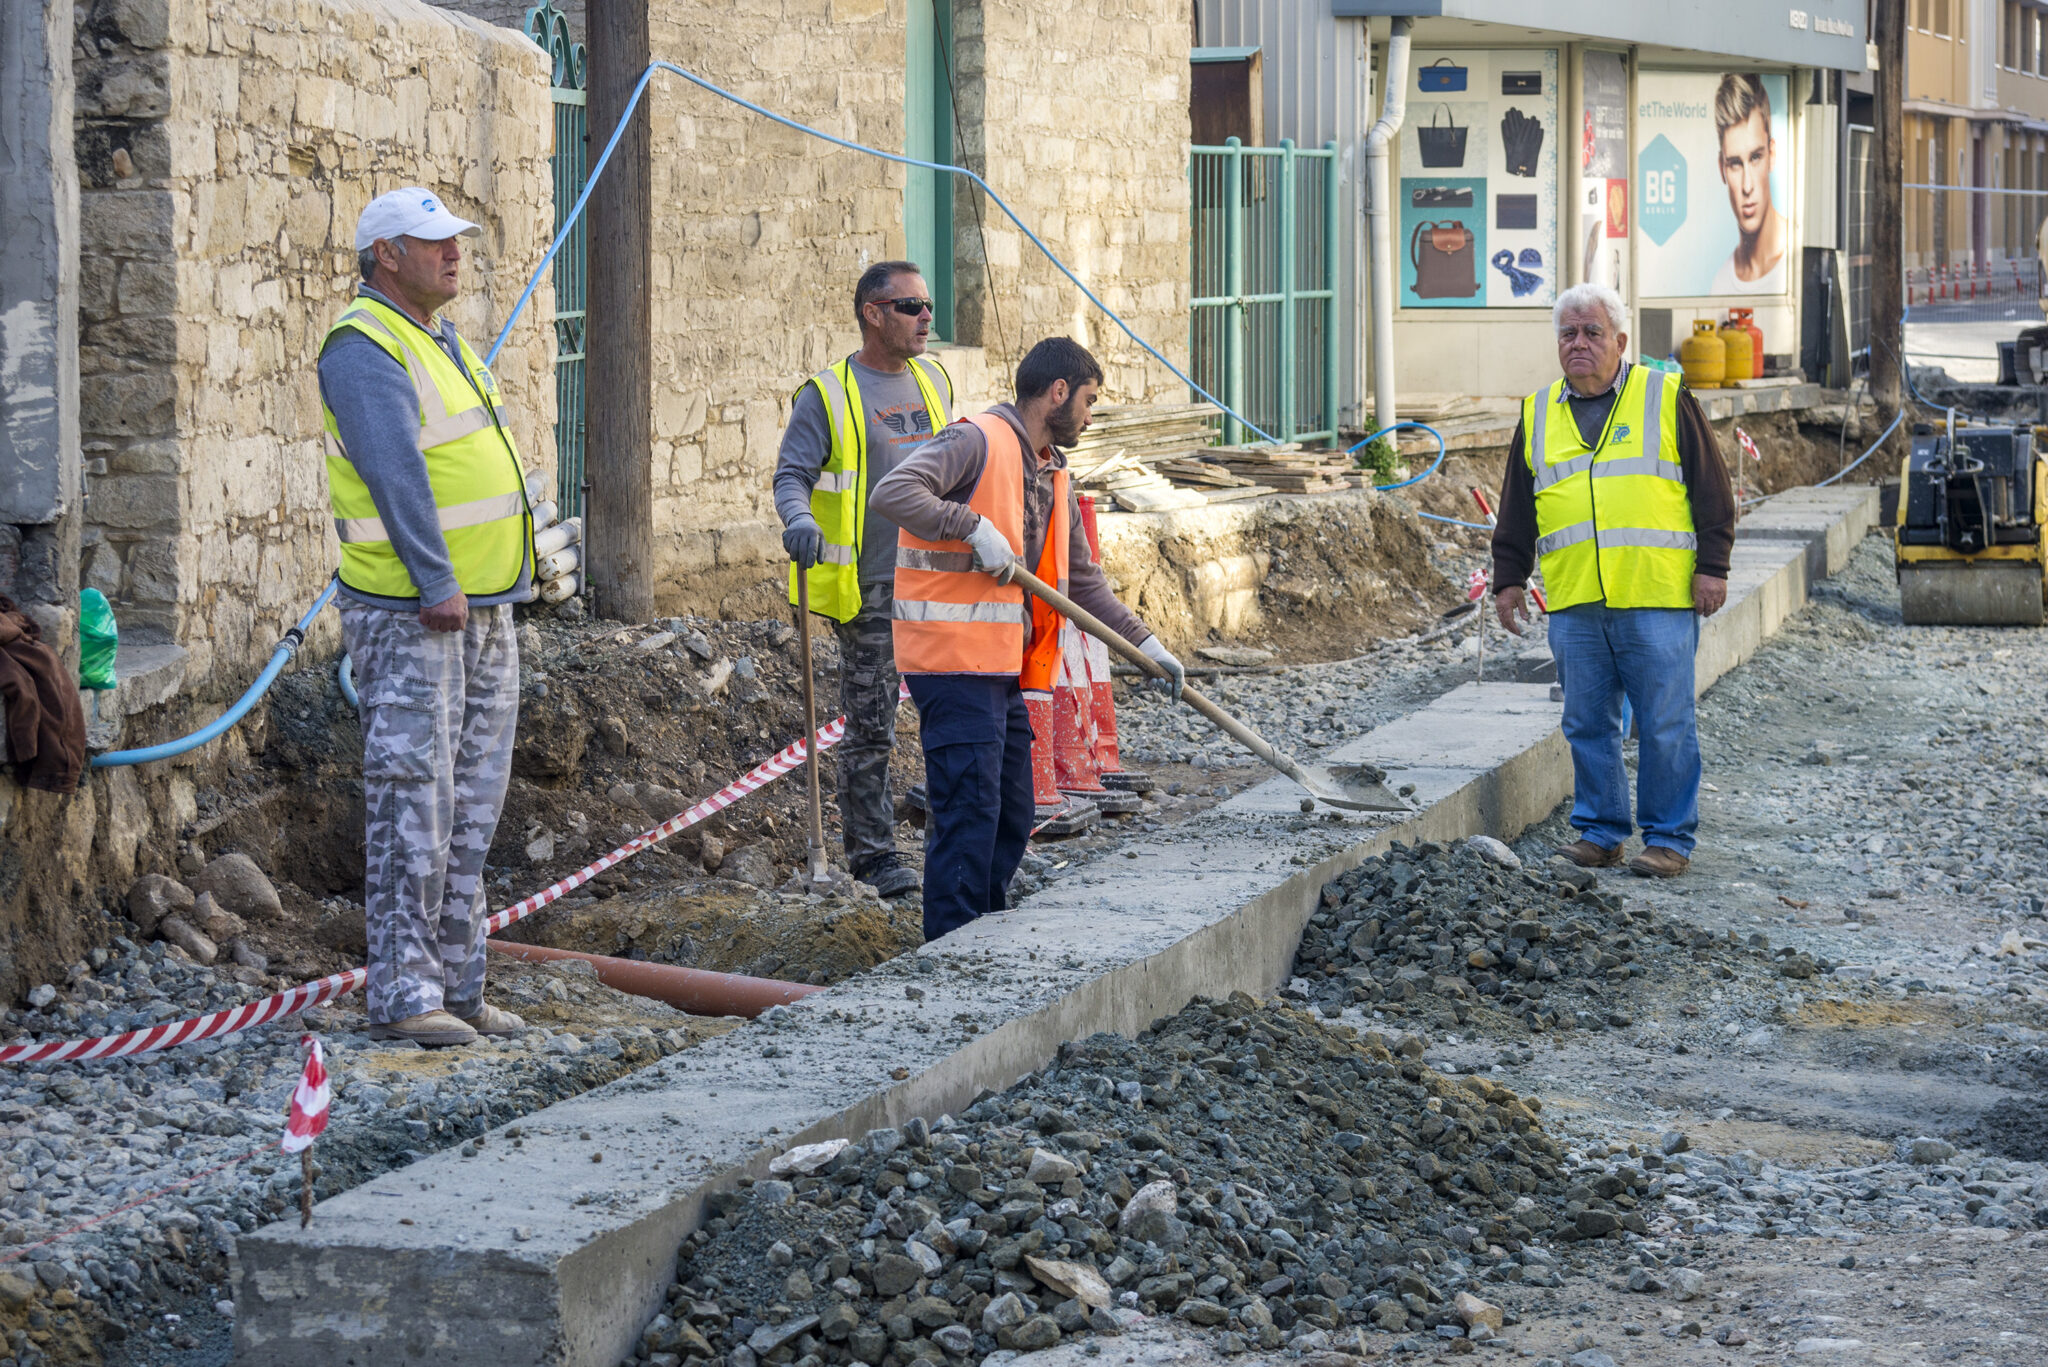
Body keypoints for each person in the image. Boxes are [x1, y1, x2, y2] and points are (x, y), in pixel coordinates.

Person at [869, 337, 1184, 940]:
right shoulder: (976, 440)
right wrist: (970, 525)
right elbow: (894, 492)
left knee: (1012, 810)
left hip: (999, 667)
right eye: (1089, 401)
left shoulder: (1052, 472)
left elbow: (1084, 583)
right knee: (970, 809)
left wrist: (1148, 647)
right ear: (1057, 392)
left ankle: (983, 930)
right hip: (949, 660)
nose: (1091, 417)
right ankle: (953, 949)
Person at [318, 187, 532, 1047]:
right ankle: (406, 996)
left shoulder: (442, 345)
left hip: (482, 611)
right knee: (415, 800)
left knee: (472, 804)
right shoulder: (365, 346)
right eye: (432, 241)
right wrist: (437, 578)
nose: (453, 252)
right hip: (416, 614)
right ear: (386, 256)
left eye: (455, 240)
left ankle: (461, 985)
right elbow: (395, 472)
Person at [1491, 282, 1735, 879]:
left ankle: (1669, 839)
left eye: (1592, 332)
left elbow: (1712, 489)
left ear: (1621, 341)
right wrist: (1508, 577)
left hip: (1656, 594)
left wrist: (1714, 566)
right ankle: (1600, 832)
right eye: (1568, 334)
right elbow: (1518, 506)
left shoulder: (1664, 395)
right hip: (1577, 600)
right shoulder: (1538, 411)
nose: (1579, 344)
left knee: (1665, 722)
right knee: (1586, 723)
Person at [774, 262, 953, 899]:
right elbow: (791, 475)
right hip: (871, 585)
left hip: (936, 579)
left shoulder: (934, 380)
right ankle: (873, 857)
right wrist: (798, 521)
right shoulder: (827, 394)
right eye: (911, 306)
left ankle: (949, 833)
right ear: (873, 314)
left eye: (928, 305)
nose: (926, 317)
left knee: (948, 711)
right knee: (873, 722)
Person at [1707, 73, 1786, 296]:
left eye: (1755, 157)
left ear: (1771, 154)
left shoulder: (1798, 259)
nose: (1747, 186)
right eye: (1735, 164)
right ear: (1722, 168)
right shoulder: (1720, 285)